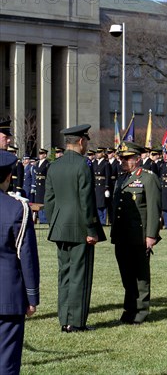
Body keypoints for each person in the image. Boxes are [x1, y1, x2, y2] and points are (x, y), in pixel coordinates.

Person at [45, 124, 106, 332]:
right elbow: (86, 202)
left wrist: (55, 223)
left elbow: (49, 201)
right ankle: (76, 322)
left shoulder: (54, 165)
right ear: (81, 141)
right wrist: (91, 230)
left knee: (65, 274)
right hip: (80, 228)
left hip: (60, 227)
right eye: (86, 141)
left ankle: (64, 319)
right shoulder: (83, 165)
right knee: (80, 274)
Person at [111, 142, 161, 324]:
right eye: (121, 158)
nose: (122, 161)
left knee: (140, 275)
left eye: (127, 158)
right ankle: (129, 310)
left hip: (139, 236)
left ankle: (140, 312)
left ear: (137, 159)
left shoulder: (148, 178)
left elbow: (154, 209)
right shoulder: (121, 178)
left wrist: (151, 235)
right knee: (126, 275)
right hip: (122, 235)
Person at [0, 150, 40, 374]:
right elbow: (27, 256)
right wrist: (32, 296)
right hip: (8, 296)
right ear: (8, 178)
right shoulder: (17, 208)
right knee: (6, 363)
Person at [93, 148, 111, 225]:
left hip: (102, 185)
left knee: (102, 204)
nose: (97, 154)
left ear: (103, 153)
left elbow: (107, 175)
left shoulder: (106, 163)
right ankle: (99, 220)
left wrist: (107, 187)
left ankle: (103, 220)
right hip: (96, 185)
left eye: (99, 152)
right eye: (97, 152)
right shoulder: (95, 163)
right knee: (97, 203)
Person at [34, 148, 50, 223]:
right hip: (38, 185)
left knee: (43, 202)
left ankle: (44, 219)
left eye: (41, 154)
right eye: (39, 153)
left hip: (44, 185)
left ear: (45, 155)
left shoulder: (47, 164)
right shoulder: (37, 163)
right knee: (38, 202)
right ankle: (40, 218)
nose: (40, 155)